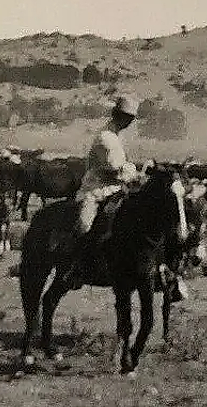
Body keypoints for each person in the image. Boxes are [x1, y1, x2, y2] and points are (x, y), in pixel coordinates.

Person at [59, 96, 144, 291]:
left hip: (116, 189)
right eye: (128, 118)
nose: (130, 122)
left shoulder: (117, 136)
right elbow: (114, 169)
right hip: (96, 190)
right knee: (84, 224)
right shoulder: (105, 137)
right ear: (119, 116)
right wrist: (131, 172)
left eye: (131, 119)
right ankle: (74, 267)